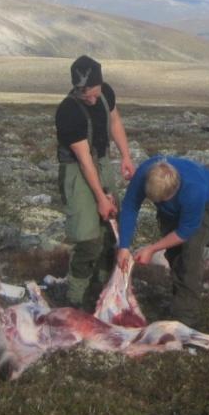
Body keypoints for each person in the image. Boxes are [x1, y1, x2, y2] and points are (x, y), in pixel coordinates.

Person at [55, 55, 134, 308]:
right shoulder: (68, 112)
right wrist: (100, 198)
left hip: (102, 163)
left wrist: (125, 156)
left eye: (94, 92)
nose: (90, 98)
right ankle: (75, 298)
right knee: (88, 239)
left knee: (111, 231)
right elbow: (83, 159)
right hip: (78, 171)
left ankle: (103, 288)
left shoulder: (106, 93)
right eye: (84, 94)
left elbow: (115, 120)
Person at [116, 156, 209, 326]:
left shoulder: (194, 189)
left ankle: (185, 321)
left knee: (190, 257)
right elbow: (130, 207)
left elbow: (185, 231)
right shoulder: (144, 174)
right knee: (174, 255)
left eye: (163, 200)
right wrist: (124, 247)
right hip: (172, 211)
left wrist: (152, 248)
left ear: (175, 189)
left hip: (205, 203)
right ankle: (180, 297)